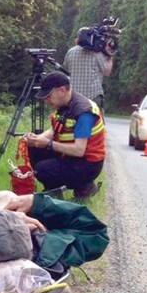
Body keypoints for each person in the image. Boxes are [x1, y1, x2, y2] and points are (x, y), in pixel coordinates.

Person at [22, 71, 106, 201]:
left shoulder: (83, 112)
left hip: (87, 164)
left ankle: (80, 187)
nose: (46, 100)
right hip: (72, 157)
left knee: (42, 169)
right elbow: (55, 130)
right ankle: (56, 189)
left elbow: (79, 150)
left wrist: (48, 144)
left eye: (48, 96)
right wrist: (36, 139)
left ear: (61, 90)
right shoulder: (64, 104)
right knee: (34, 148)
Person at [62, 29, 113, 110]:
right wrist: (109, 55)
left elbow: (66, 70)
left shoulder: (70, 52)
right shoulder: (97, 53)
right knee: (95, 121)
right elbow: (106, 72)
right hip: (93, 97)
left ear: (78, 39)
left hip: (74, 97)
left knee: (75, 121)